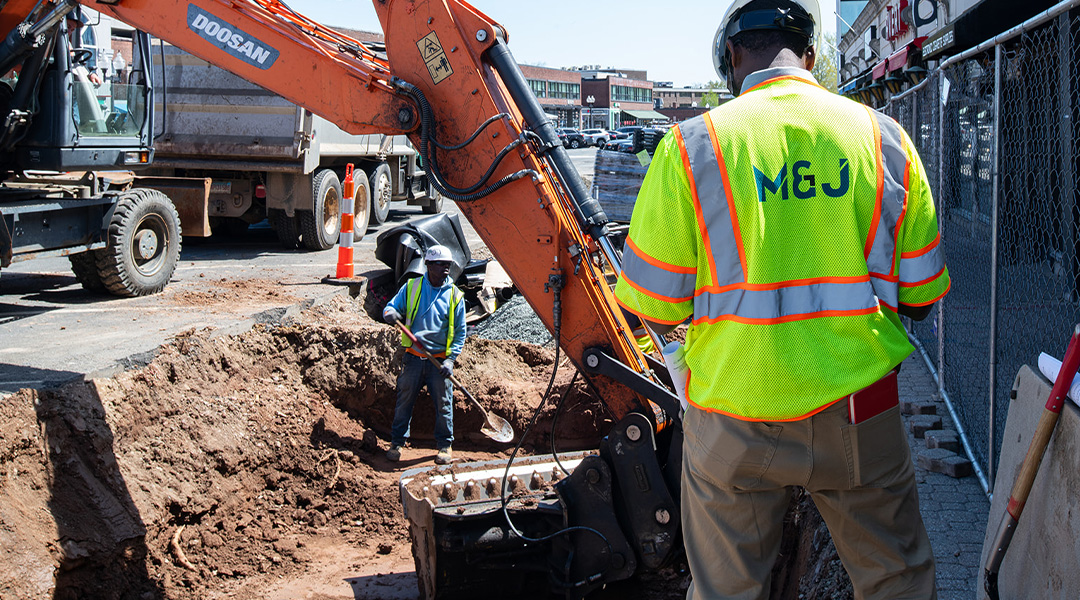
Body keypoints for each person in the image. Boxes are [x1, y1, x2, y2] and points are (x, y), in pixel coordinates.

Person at [613, 0, 950, 598]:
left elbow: (654, 307)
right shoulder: (884, 140)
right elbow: (922, 297)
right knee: (898, 581)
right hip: (860, 410)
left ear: (734, 60)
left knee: (725, 591)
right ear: (814, 59)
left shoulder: (693, 147)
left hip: (734, 412)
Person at [382, 245, 466, 465]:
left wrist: (450, 359)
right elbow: (391, 308)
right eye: (441, 265)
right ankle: (397, 442)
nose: (445, 269)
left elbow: (460, 333)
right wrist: (390, 313)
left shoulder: (455, 296)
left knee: (444, 404)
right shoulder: (412, 287)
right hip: (413, 358)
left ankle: (445, 446)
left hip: (438, 361)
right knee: (404, 401)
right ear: (428, 265)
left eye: (448, 265)